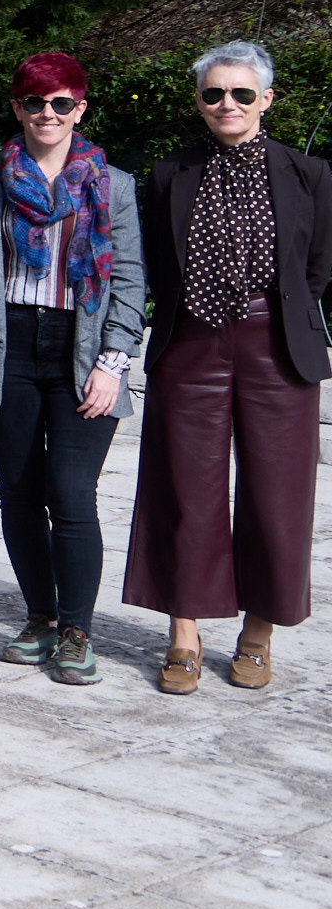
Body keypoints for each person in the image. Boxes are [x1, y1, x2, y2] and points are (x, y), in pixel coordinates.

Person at [124, 42, 332, 694]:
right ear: (199, 103)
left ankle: (258, 633)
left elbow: (319, 268)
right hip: (191, 342)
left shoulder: (310, 175)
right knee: (188, 490)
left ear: (266, 100)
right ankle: (183, 633)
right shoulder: (168, 174)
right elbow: (159, 263)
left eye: (242, 93)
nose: (228, 104)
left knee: (277, 495)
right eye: (214, 93)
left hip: (276, 344)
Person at [0, 53, 147, 688]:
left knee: (71, 489)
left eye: (61, 103)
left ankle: (78, 629)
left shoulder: (112, 185)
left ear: (80, 108)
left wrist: (114, 363)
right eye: (35, 103)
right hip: (10, 346)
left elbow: (129, 282)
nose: (47, 114)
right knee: (21, 492)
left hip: (80, 351)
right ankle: (39, 617)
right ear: (17, 109)